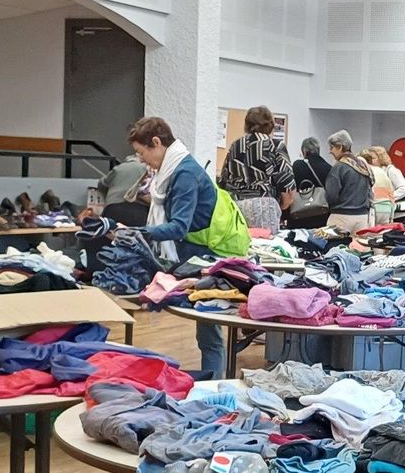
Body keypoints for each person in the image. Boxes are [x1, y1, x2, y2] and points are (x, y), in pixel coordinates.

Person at [128, 117, 251, 376]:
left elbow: (179, 227)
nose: (141, 159)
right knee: (206, 325)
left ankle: (213, 383)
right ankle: (211, 379)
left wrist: (139, 233)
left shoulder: (184, 174)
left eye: (142, 152)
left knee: (208, 326)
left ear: (156, 142)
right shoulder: (175, 169)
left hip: (215, 250)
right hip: (202, 247)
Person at [219, 105, 296, 234]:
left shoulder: (235, 146)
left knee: (241, 244)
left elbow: (223, 180)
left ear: (247, 124)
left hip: (237, 207)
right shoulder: (275, 146)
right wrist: (282, 205)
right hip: (264, 206)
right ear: (270, 125)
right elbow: (287, 183)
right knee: (265, 244)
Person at [325, 130, 373, 233]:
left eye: (332, 147)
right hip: (362, 217)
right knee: (359, 243)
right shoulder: (363, 165)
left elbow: (331, 195)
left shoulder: (339, 167)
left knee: (336, 244)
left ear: (340, 147)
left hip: (341, 217)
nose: (330, 151)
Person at [287, 137, 332, 229]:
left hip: (299, 214)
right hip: (321, 215)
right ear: (318, 150)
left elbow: (290, 188)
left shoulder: (297, 165)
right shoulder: (329, 168)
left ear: (304, 151)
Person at [96, 156, 150, 227]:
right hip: (138, 209)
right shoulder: (146, 168)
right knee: (137, 232)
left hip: (113, 208)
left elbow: (102, 184)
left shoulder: (118, 168)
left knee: (110, 232)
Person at [368, 145, 405, 220]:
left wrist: (388, 197)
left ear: (381, 158)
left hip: (398, 212)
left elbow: (404, 188)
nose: (370, 161)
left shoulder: (391, 170)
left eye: (373, 158)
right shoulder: (376, 171)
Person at [361, 148, 397, 225]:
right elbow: (391, 194)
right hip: (387, 208)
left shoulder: (365, 171)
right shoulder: (382, 171)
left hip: (374, 208)